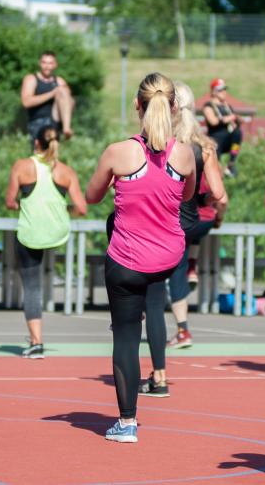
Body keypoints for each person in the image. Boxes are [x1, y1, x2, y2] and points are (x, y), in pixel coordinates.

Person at [86, 72, 196, 443]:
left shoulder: (119, 152)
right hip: (165, 258)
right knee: (154, 304)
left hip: (128, 261)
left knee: (126, 337)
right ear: (175, 106)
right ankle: (160, 373)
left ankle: (127, 422)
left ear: (138, 105)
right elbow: (185, 194)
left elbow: (92, 196)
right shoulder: (184, 153)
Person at [141, 81, 225, 396]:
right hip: (196, 221)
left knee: (154, 284)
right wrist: (218, 218)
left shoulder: (163, 143)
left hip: (165, 223)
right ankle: (183, 326)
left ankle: (153, 331)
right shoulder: (204, 146)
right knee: (177, 263)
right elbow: (219, 194)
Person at [6, 124, 87, 359]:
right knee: (46, 271)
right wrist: (61, 209)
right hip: (57, 233)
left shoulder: (22, 166)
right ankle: (36, 340)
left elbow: (10, 201)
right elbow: (81, 208)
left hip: (31, 233)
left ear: (35, 143)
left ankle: (36, 342)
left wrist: (25, 204)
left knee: (32, 286)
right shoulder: (66, 172)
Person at [21, 51, 75, 141]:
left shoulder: (59, 81)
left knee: (64, 91)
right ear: (39, 63)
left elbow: (70, 102)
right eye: (44, 62)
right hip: (38, 122)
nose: (47, 66)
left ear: (55, 65)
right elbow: (26, 102)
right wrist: (52, 94)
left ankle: (66, 128)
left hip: (55, 123)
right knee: (40, 154)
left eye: (50, 63)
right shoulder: (31, 79)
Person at [202, 78, 242, 177]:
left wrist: (237, 120)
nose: (224, 92)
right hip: (216, 140)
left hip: (228, 139)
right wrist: (230, 117)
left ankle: (231, 163)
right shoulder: (208, 106)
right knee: (216, 170)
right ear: (213, 92)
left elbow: (234, 122)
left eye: (224, 89)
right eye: (220, 90)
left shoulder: (227, 106)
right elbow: (213, 121)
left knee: (238, 133)